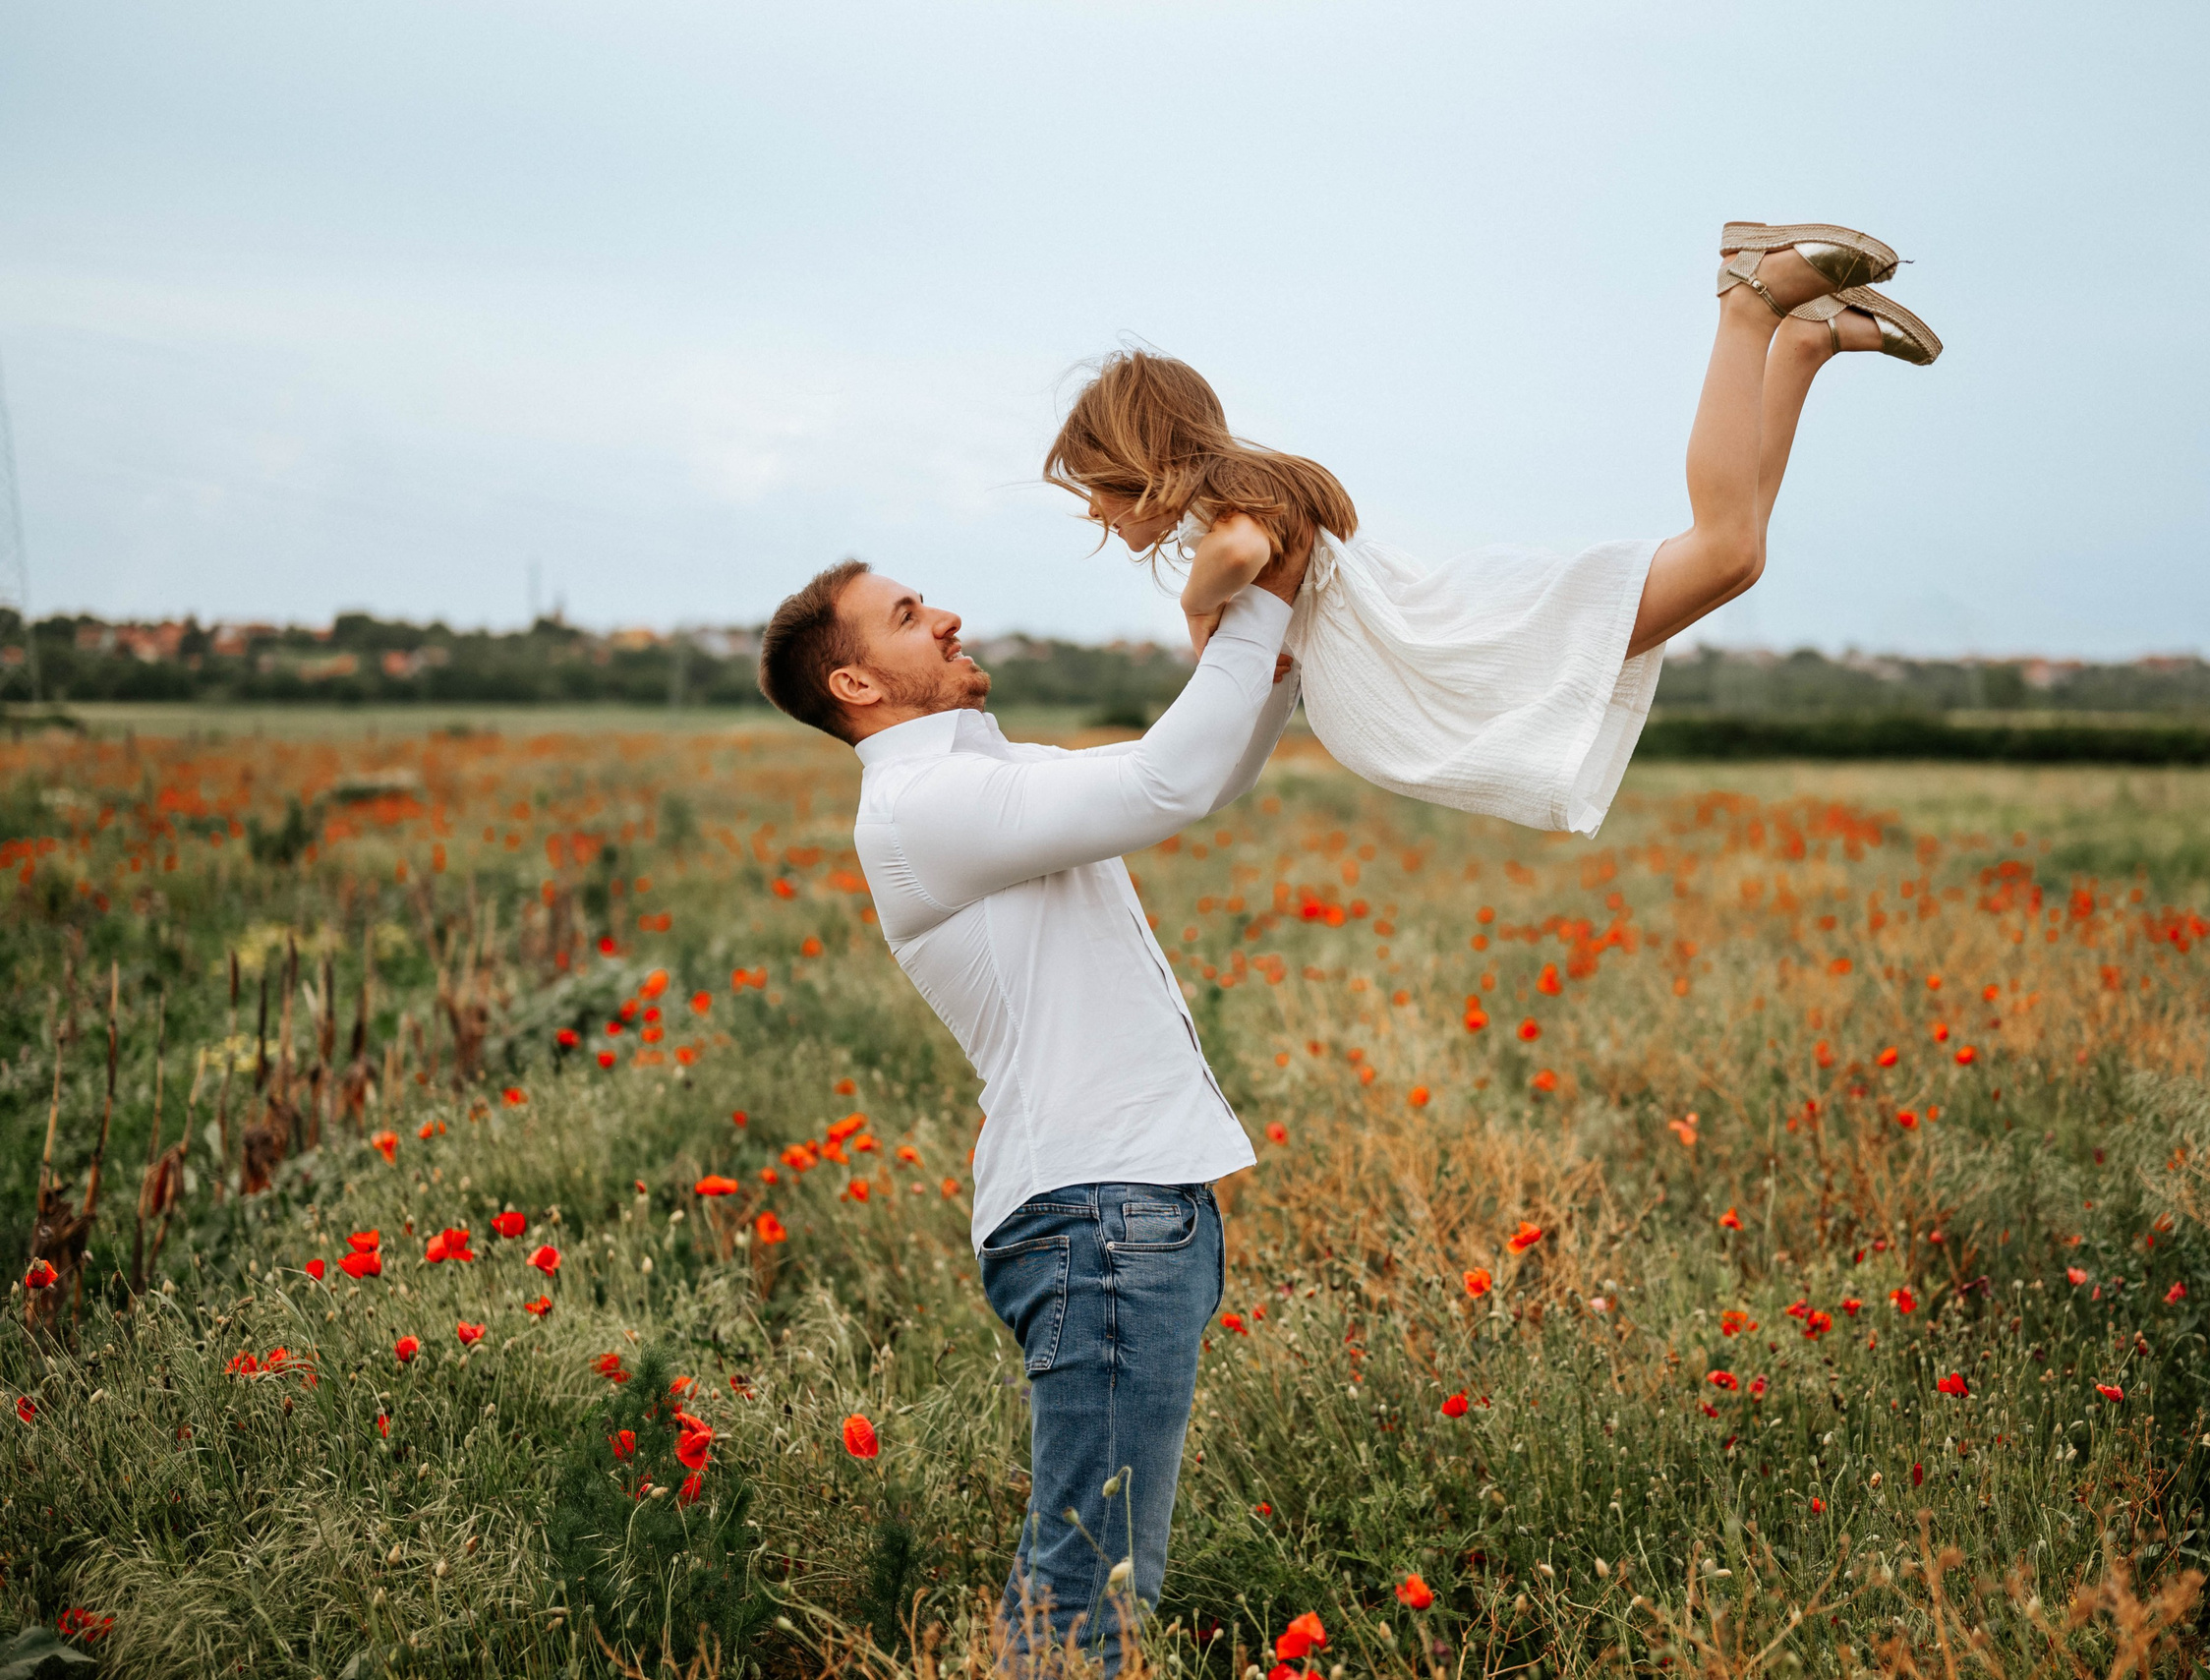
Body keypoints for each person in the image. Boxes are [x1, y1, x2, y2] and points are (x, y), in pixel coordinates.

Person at [755, 549, 1306, 1676]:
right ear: (855, 684)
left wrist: (1275, 649)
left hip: (1119, 1210)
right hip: (1099, 1217)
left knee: (1089, 1583)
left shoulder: (979, 779)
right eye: (907, 615)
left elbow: (1203, 774)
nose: (947, 616)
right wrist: (1264, 603)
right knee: (1089, 1597)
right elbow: (1165, 782)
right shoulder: (927, 802)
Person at [1045, 220, 1941, 836]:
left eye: (1095, 488)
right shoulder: (1248, 489)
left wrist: (1197, 607)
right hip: (1448, 626)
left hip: (1458, 645)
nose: (1093, 510)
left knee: (1724, 550)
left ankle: (1749, 298)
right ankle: (1801, 346)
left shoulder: (1229, 509)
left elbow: (1240, 553)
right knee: (1736, 558)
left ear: (1137, 459)